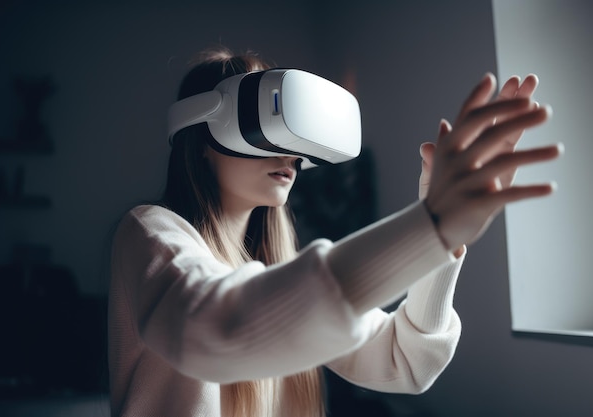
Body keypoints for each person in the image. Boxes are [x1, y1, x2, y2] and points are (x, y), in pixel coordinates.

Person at [107, 47, 561, 417]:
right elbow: (214, 329)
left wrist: (439, 236)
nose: (288, 154)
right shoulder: (149, 231)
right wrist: (430, 226)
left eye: (292, 135)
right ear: (202, 140)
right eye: (266, 126)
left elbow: (405, 362)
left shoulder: (278, 275)